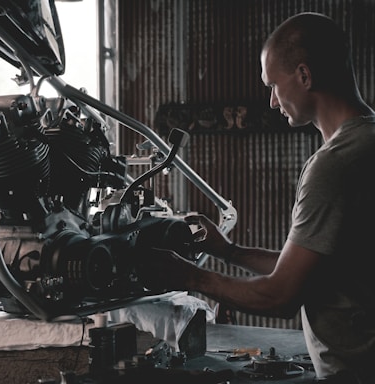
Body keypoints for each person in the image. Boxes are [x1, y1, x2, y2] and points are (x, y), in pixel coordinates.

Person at [138, 12, 375, 384]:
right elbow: (310, 272)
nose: (271, 101)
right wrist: (227, 251)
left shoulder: (334, 165)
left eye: (273, 85)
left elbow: (280, 296)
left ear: (304, 76)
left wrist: (189, 276)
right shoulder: (366, 143)